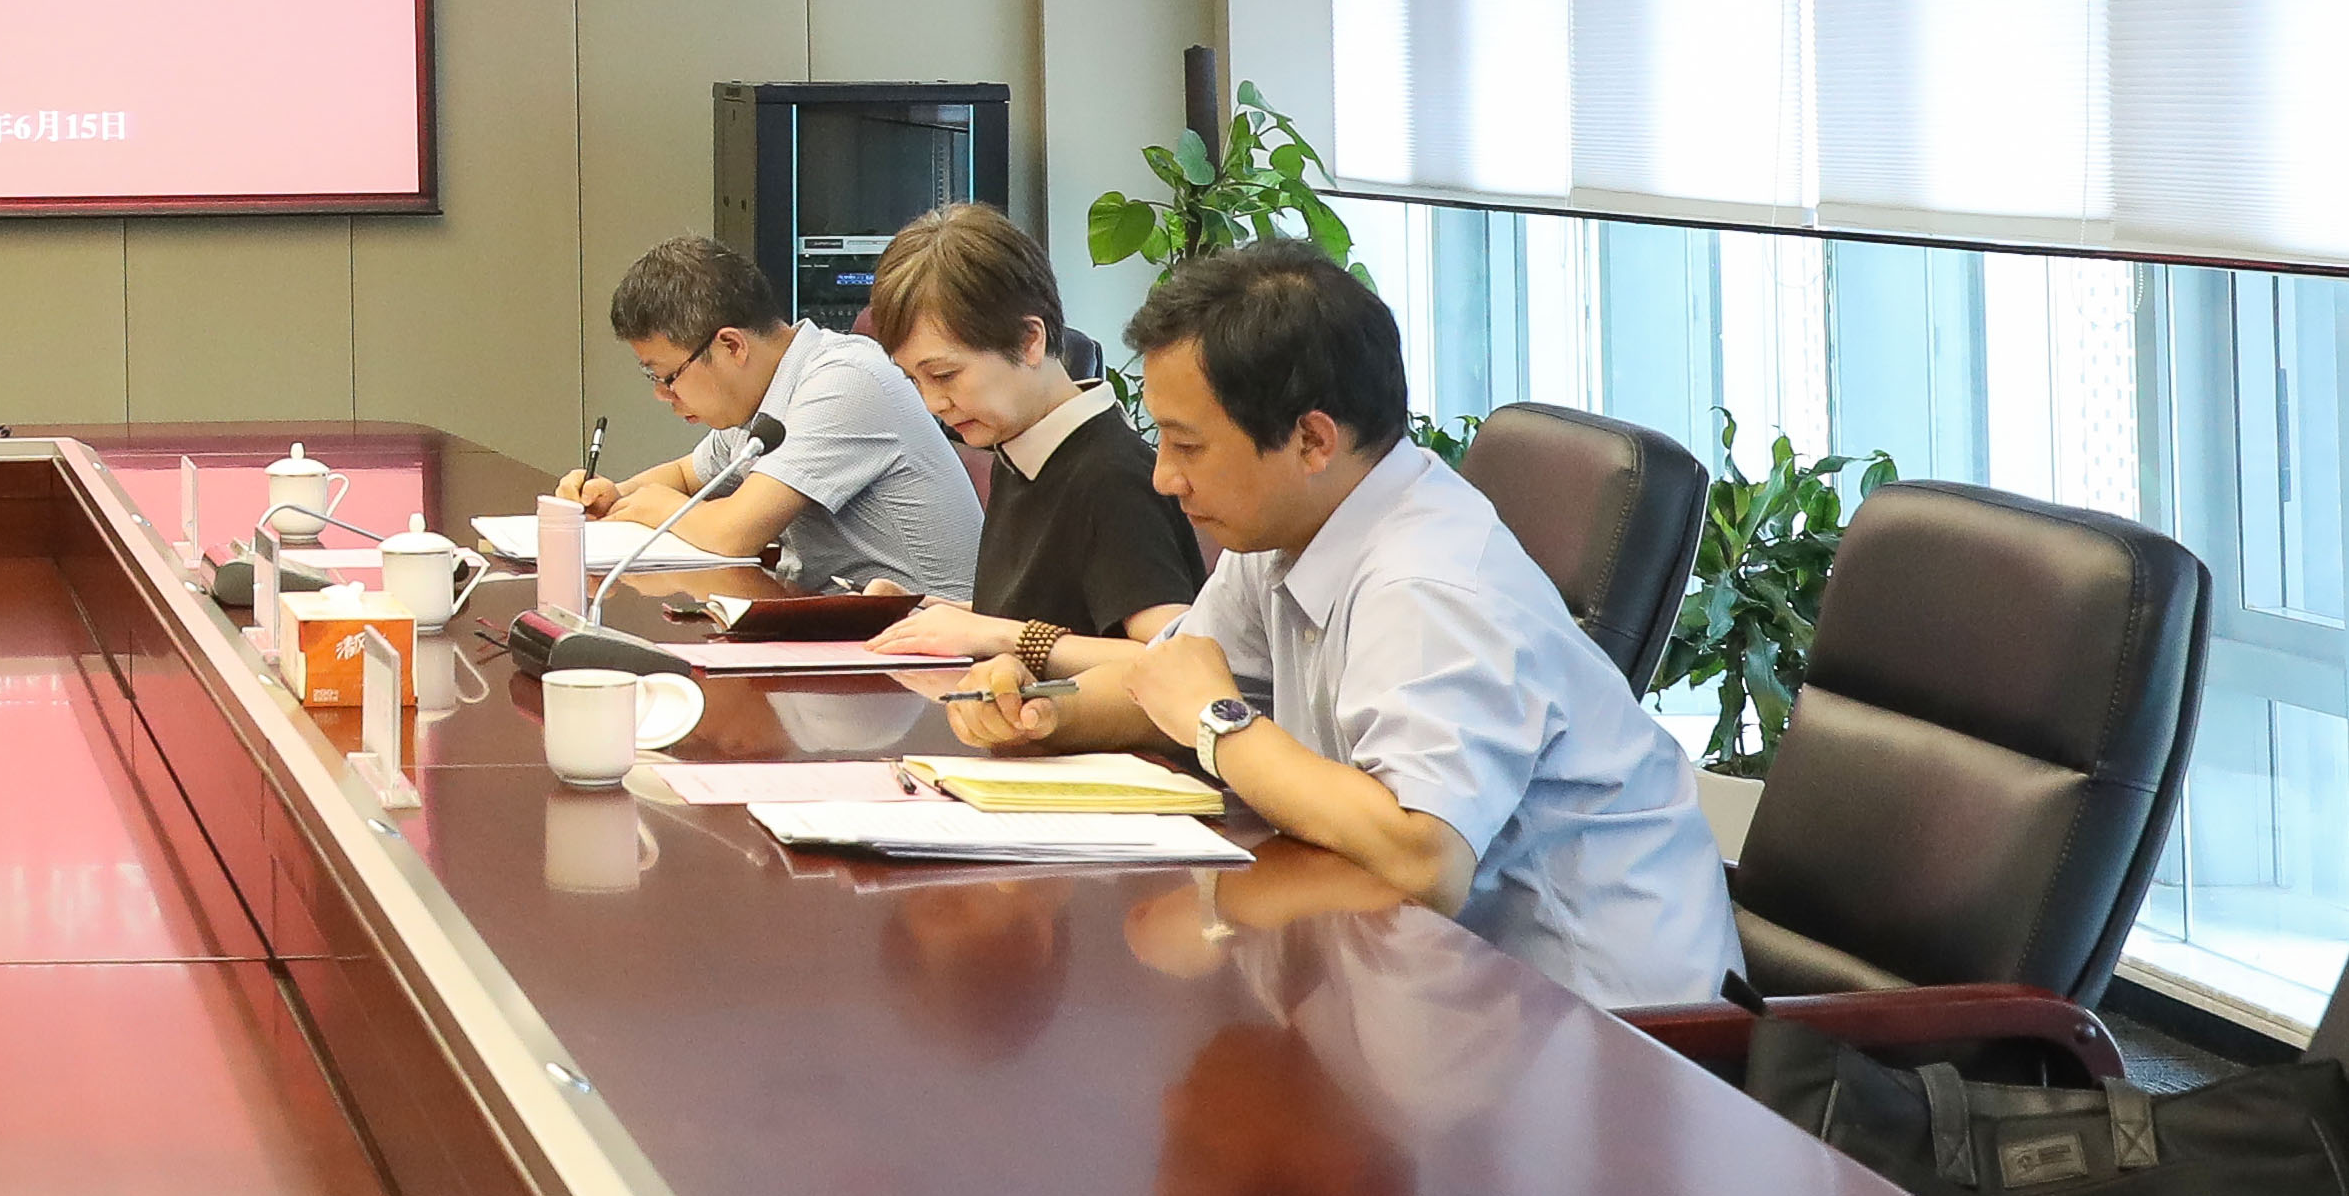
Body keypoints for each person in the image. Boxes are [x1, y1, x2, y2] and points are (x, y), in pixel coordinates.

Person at [956, 241, 1735, 1010]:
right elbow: (1169, 681)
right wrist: (1040, 712)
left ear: (1312, 440)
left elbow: (1423, 859)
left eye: (1186, 444)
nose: (1164, 476)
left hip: (1609, 1031)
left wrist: (1217, 721)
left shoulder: (1429, 586)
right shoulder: (1287, 526)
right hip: (1431, 983)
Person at [854, 201, 1204, 655]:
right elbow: (1054, 614)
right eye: (913, 380)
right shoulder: (1019, 449)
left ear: (1028, 340)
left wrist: (1003, 638)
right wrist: (928, 613)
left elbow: (1174, 657)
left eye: (944, 375)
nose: (932, 403)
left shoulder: (1110, 476)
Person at [574, 236, 979, 600]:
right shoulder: (761, 397)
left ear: (732, 346)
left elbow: (733, 534)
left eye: (667, 377)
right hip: (838, 622)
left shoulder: (843, 381)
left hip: (927, 637)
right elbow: (684, 475)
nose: (663, 395)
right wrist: (610, 497)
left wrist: (656, 507)